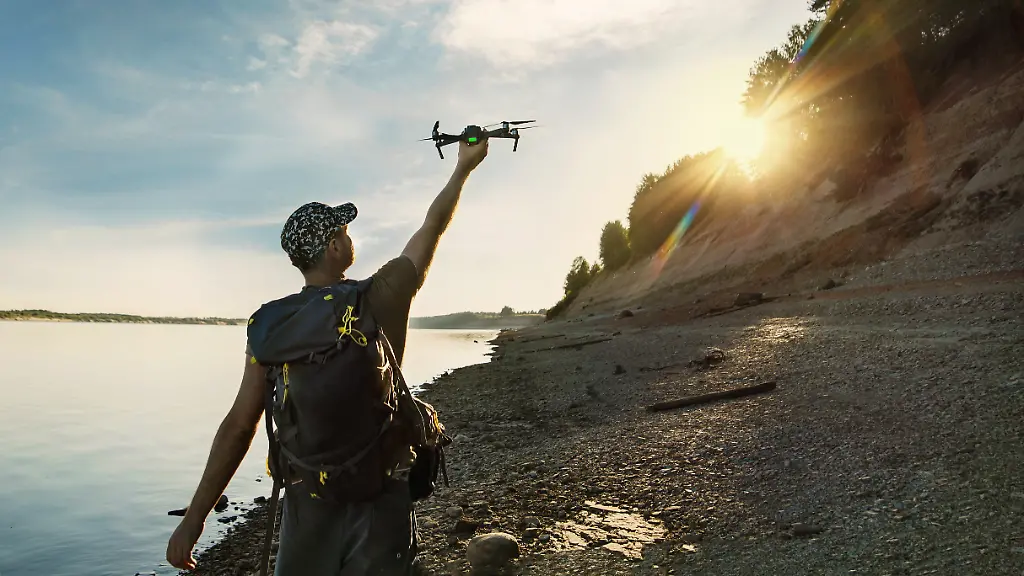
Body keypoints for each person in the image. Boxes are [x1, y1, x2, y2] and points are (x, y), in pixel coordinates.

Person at [166, 137, 489, 574]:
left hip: (306, 500)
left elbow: (240, 425)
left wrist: (194, 518)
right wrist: (463, 168)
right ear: (334, 249)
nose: (348, 236)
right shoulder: (379, 297)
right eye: (343, 230)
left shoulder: (269, 325)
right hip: (380, 497)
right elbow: (432, 227)